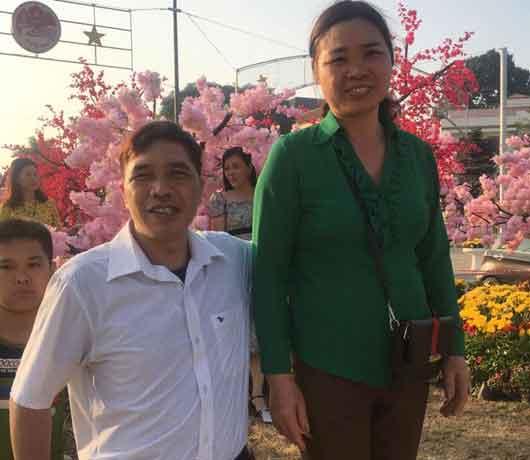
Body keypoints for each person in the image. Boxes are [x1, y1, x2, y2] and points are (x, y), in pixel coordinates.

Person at [252, 2, 470, 460]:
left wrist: (455, 350)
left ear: (391, 61)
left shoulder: (417, 156)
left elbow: (433, 259)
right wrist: (278, 376)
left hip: (409, 360)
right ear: (317, 70)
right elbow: (268, 274)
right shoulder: (293, 157)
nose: (356, 70)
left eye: (371, 53)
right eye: (338, 58)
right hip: (327, 366)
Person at [10, 121, 254, 460]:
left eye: (178, 174)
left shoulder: (233, 259)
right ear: (123, 190)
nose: (161, 189)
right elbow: (30, 399)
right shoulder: (82, 284)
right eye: (142, 175)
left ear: (201, 187)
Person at [207, 147, 271, 424]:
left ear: (248, 166)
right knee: (235, 327)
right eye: (227, 168)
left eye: (235, 166)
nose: (231, 173)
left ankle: (258, 394)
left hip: (263, 262)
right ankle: (236, 392)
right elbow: (218, 240)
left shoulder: (263, 194)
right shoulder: (219, 199)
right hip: (234, 265)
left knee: (261, 326)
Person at [0, 219, 65, 460]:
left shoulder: (73, 341)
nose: (21, 278)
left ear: (52, 269)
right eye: (6, 267)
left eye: (33, 265)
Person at [0, 158, 60, 228]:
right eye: (28, 174)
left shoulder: (48, 203)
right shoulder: (8, 207)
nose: (33, 178)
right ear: (17, 179)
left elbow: (58, 230)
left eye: (35, 174)